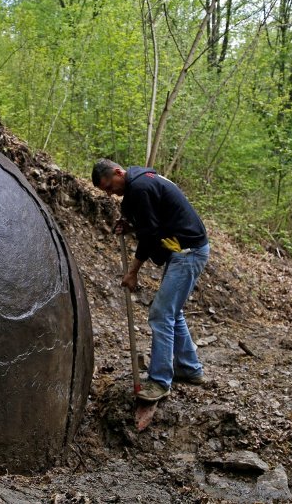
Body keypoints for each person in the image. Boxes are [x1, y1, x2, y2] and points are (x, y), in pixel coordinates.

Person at [92, 158, 209, 402]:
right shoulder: (142, 183)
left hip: (188, 252)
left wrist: (133, 271)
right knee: (172, 312)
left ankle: (159, 381)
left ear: (117, 172)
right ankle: (189, 369)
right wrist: (131, 225)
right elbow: (153, 221)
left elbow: (150, 234)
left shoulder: (141, 187)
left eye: (110, 187)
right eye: (106, 192)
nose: (111, 194)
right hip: (184, 249)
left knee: (160, 313)